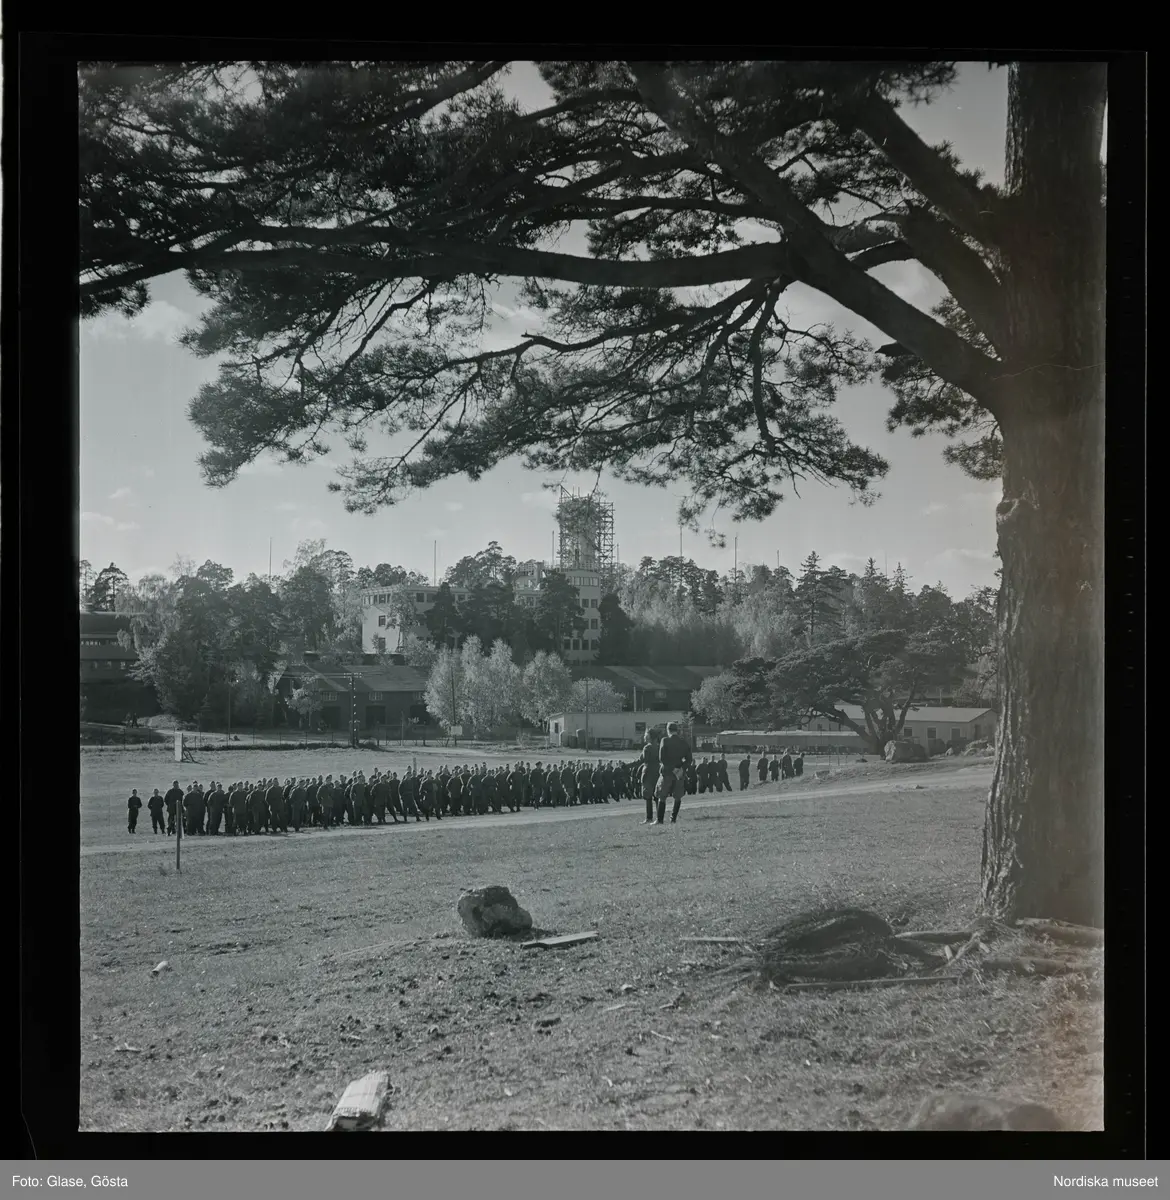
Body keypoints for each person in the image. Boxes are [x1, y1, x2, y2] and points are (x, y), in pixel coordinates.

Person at [657, 722, 693, 824]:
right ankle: (673, 819)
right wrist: (681, 768)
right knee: (677, 796)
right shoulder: (683, 742)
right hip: (679, 773)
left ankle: (660, 820)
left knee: (662, 795)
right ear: (677, 730)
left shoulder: (665, 740)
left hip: (667, 772)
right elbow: (689, 759)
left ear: (668, 730)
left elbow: (662, 758)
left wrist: (672, 768)